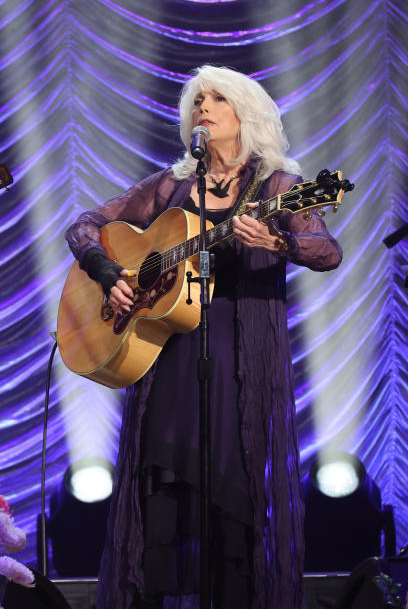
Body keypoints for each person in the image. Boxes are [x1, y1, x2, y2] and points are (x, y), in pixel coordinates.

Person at [65, 65, 343, 608]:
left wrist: (278, 241)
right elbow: (84, 224)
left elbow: (327, 252)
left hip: (238, 364)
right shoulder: (173, 185)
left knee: (231, 518)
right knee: (162, 509)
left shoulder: (280, 187)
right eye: (199, 99)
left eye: (219, 99)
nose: (204, 107)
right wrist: (108, 274)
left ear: (247, 115)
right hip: (170, 362)